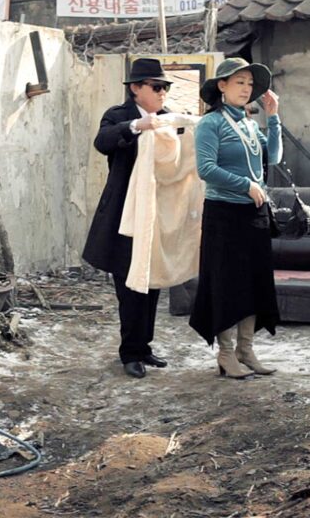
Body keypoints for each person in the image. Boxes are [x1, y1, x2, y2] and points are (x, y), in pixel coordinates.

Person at [82, 58, 176, 379]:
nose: (163, 93)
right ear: (136, 89)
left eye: (166, 87)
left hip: (155, 213)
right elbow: (103, 142)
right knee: (129, 283)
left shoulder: (166, 119)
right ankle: (130, 352)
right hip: (124, 214)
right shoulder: (118, 116)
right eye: (157, 86)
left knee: (151, 282)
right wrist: (137, 127)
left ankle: (144, 346)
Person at [189, 58, 281, 379]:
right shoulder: (210, 124)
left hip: (254, 214)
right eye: (239, 82)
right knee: (228, 285)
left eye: (249, 83)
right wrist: (247, 185)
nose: (246, 88)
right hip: (224, 215)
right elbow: (206, 169)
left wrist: (274, 118)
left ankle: (246, 349)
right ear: (222, 87)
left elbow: (276, 156)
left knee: (253, 283)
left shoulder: (249, 124)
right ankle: (226, 353)